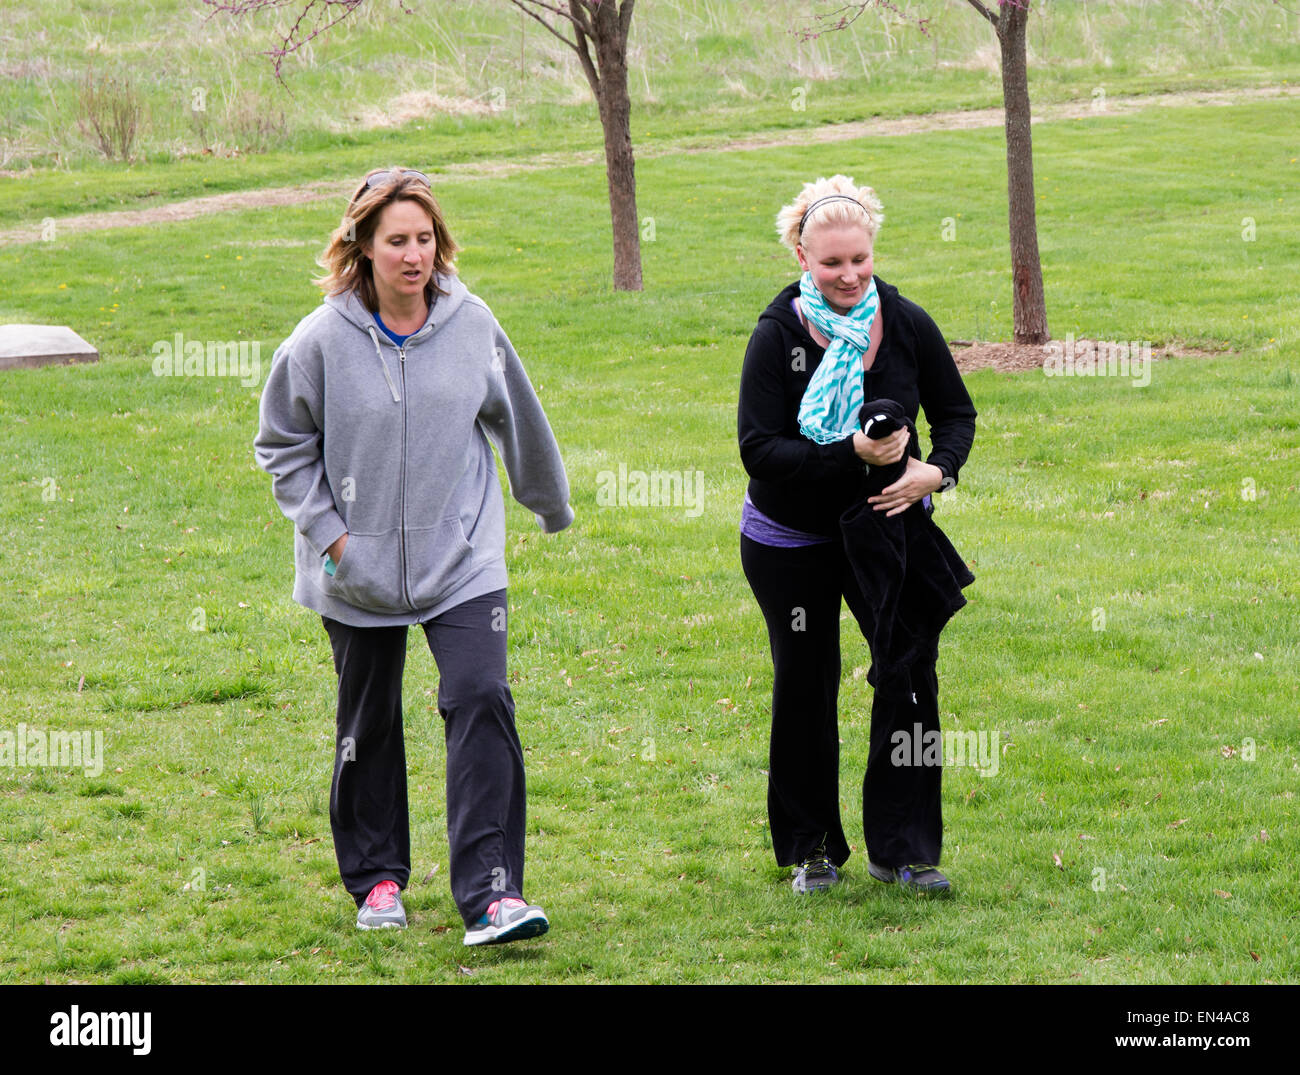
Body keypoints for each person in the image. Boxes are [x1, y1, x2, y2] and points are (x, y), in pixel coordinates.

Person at [254, 167, 573, 945]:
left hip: (460, 556)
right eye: (396, 240)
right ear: (362, 246)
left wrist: (548, 503)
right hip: (352, 571)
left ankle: (493, 894)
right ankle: (380, 881)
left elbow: (517, 418)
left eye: (424, 239)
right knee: (368, 720)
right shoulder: (320, 339)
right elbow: (282, 445)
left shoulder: (472, 325)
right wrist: (332, 535)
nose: (413, 255)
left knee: (480, 696)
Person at [737, 175, 976, 895]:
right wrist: (854, 456)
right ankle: (812, 849)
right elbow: (759, 449)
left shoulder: (904, 323)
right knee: (806, 686)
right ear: (801, 256)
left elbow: (957, 416)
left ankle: (904, 849)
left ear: (873, 251)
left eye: (860, 260)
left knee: (908, 679)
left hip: (888, 532)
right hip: (792, 538)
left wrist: (934, 473)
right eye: (832, 263)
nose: (848, 275)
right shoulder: (778, 336)